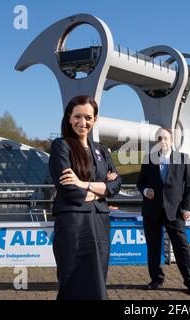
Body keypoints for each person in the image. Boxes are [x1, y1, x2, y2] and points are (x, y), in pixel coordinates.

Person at [49, 95, 122, 300]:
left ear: (95, 119)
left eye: (88, 117)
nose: (83, 122)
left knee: (98, 278)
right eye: (78, 117)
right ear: (69, 118)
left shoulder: (101, 150)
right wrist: (100, 190)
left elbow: (116, 184)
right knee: (73, 278)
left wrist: (84, 184)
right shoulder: (61, 146)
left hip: (100, 221)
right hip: (73, 221)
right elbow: (69, 190)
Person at [136, 128, 190, 295]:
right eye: (159, 138)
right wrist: (145, 191)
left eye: (165, 138)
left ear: (172, 140)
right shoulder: (149, 159)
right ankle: (156, 280)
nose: (162, 141)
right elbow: (140, 182)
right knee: (153, 247)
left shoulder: (183, 158)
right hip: (151, 211)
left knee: (182, 248)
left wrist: (186, 207)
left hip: (175, 211)